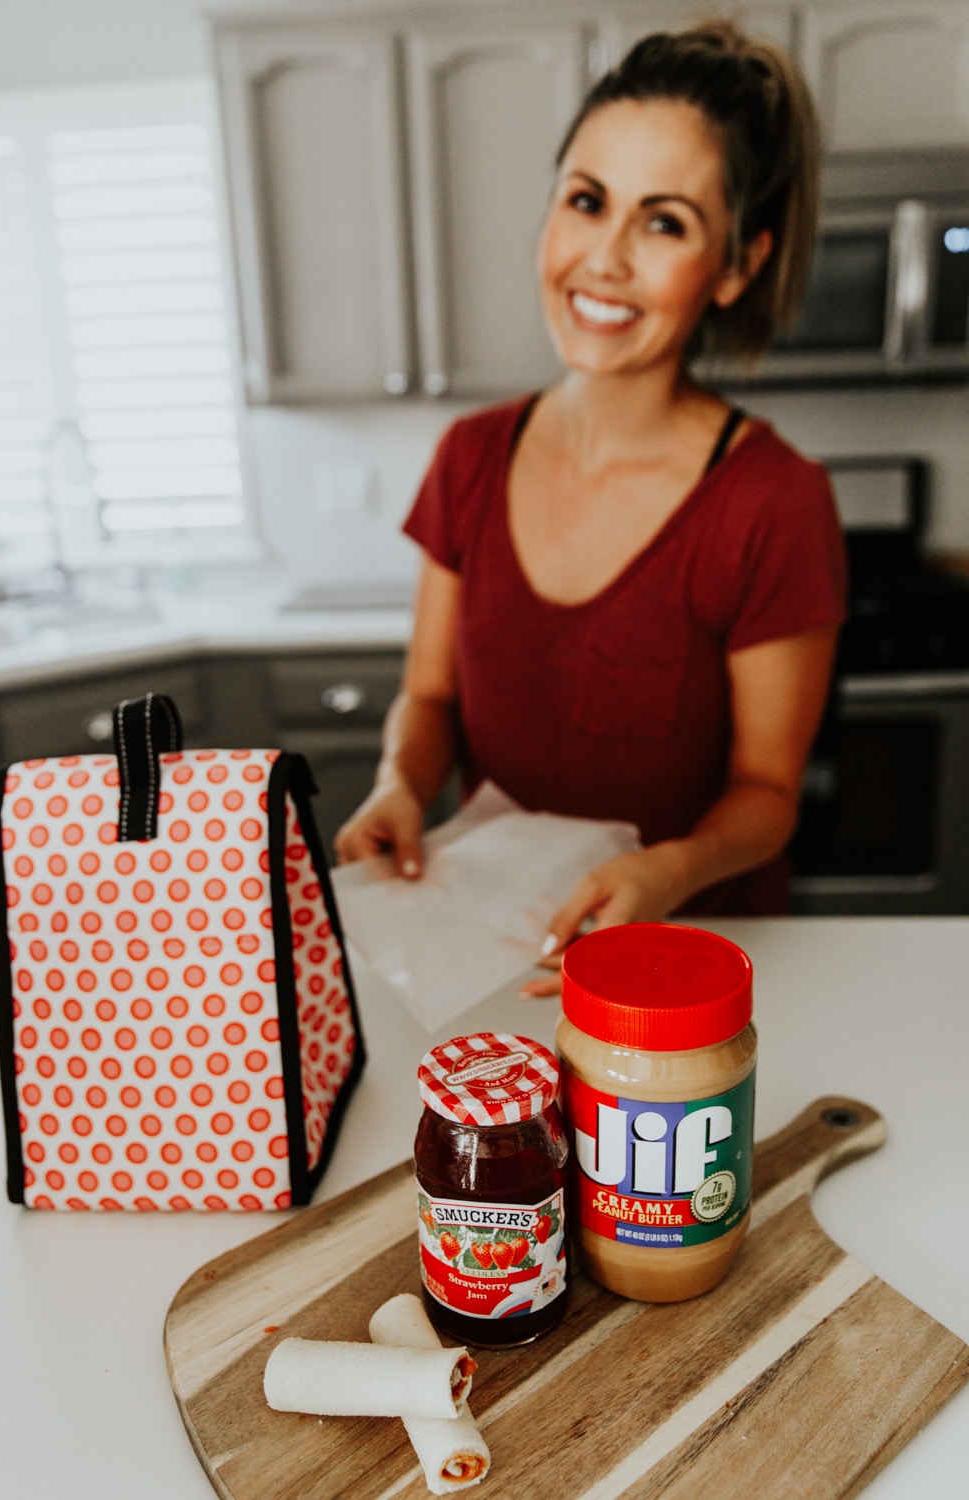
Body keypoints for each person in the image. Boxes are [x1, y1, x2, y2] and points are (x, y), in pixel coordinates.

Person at [335, 21, 847, 996]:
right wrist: (399, 780)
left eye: (664, 223)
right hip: (496, 954)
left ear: (735, 267)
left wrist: (668, 870)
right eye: (585, 202)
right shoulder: (469, 458)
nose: (603, 258)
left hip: (695, 967)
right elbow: (431, 696)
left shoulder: (773, 500)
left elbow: (767, 794)